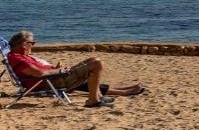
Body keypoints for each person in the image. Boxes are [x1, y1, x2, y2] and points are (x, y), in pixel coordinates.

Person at [6, 31, 147, 107]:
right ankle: (94, 99)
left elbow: (40, 71)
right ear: (24, 44)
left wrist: (56, 68)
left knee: (92, 66)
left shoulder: (23, 56)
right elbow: (39, 73)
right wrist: (60, 71)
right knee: (96, 63)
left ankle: (102, 96)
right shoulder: (18, 58)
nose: (34, 45)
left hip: (52, 78)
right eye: (32, 43)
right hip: (49, 82)